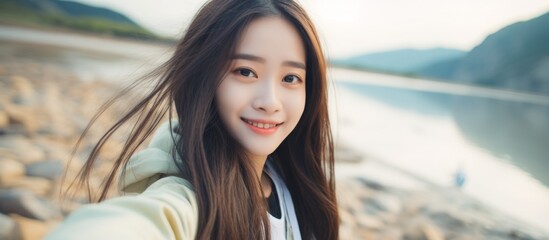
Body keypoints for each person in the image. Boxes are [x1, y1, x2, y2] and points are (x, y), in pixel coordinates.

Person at [46, 0, 339, 239]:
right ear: (205, 76)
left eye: (291, 78)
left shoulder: (293, 183)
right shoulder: (191, 200)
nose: (269, 102)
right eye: (245, 72)